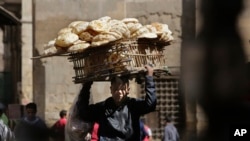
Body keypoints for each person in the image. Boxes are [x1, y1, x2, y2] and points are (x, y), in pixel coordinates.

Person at [76, 64, 156, 140]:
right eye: (116, 89)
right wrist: (87, 85)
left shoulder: (133, 105)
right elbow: (84, 113)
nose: (119, 92)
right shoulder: (103, 108)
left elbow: (150, 104)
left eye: (122, 89)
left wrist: (149, 79)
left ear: (128, 90)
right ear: (111, 90)